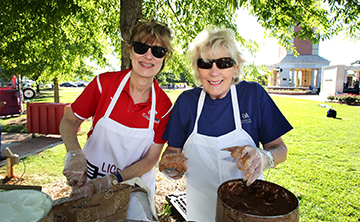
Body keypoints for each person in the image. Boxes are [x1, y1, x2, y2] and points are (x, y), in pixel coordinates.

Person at [159, 27, 293, 222]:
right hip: (200, 210)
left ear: (235, 67)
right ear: (198, 69)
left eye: (224, 63)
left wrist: (264, 158)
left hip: (248, 211)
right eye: (205, 63)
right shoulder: (187, 102)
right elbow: (171, 151)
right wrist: (171, 167)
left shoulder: (253, 95)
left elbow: (280, 149)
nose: (214, 72)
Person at [60, 18, 173, 221]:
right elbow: (69, 121)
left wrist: (111, 180)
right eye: (141, 47)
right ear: (129, 50)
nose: (148, 56)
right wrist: (74, 154)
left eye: (158, 51)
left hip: (134, 189)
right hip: (89, 184)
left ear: (164, 58)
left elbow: (151, 158)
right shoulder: (104, 85)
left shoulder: (164, 106)